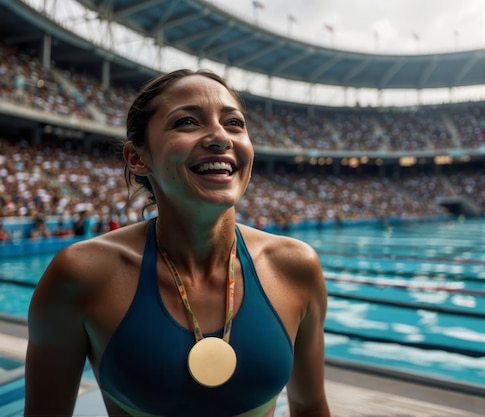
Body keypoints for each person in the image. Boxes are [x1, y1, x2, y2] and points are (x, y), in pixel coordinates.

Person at [25, 69, 330, 417]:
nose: (220, 137)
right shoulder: (82, 275)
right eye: (187, 122)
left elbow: (310, 406)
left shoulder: (295, 267)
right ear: (137, 158)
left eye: (234, 123)